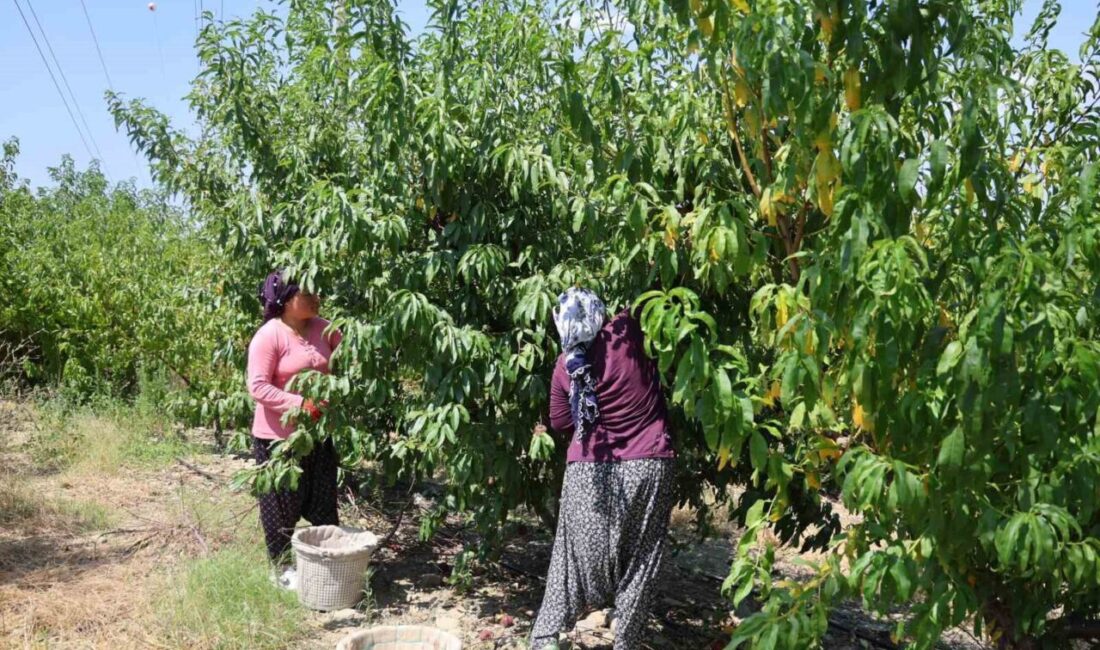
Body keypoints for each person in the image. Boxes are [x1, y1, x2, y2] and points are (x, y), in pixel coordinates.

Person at [530, 288, 676, 650]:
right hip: (647, 465)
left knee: (567, 567)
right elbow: (659, 294)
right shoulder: (629, 332)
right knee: (640, 562)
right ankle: (625, 641)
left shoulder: (565, 365)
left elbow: (561, 422)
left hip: (588, 473)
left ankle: (545, 640)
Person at [247, 270, 341, 589]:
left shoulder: (326, 329)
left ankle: (327, 563)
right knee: (280, 508)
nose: (316, 298)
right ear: (286, 300)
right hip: (279, 439)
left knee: (323, 502)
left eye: (317, 292)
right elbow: (258, 386)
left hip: (319, 435)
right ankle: (282, 569)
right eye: (307, 293)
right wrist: (301, 404)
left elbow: (347, 364)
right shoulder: (269, 336)